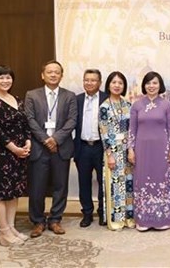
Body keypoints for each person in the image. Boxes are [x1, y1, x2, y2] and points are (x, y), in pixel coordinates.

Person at [25, 60, 77, 238]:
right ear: (43, 75)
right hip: (39, 147)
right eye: (50, 72)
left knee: (60, 186)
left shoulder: (69, 96)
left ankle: (55, 220)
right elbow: (30, 120)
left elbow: (72, 121)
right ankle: (38, 221)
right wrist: (45, 139)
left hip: (61, 147)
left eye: (57, 72)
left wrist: (55, 139)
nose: (53, 75)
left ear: (61, 76)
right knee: (37, 187)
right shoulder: (32, 95)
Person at [0, 65, 32, 246]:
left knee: (14, 191)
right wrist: (14, 148)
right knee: (2, 193)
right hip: (1, 153)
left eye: (8, 77)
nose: (5, 81)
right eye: (1, 78)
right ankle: (3, 231)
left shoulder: (16, 98)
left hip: (20, 152)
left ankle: (11, 227)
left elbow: (24, 124)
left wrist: (27, 142)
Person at [127, 71, 170, 231]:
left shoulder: (167, 104)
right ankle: (143, 220)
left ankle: (163, 220)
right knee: (142, 181)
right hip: (141, 150)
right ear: (144, 85)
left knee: (161, 182)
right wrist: (130, 149)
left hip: (162, 149)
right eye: (148, 83)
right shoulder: (136, 105)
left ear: (160, 85)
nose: (151, 86)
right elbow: (132, 130)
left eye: (155, 83)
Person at [99, 71, 135, 230]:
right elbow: (104, 131)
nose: (117, 85)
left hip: (127, 150)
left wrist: (131, 150)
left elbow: (132, 129)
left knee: (128, 186)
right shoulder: (104, 106)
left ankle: (129, 218)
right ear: (108, 85)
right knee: (115, 187)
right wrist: (109, 154)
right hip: (113, 150)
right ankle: (116, 221)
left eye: (120, 83)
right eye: (114, 82)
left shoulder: (128, 105)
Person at [74, 69, 108, 227]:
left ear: (99, 82)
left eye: (93, 80)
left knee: (103, 182)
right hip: (83, 147)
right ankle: (87, 213)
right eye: (86, 80)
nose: (89, 83)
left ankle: (103, 212)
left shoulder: (107, 99)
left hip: (101, 147)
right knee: (84, 182)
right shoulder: (77, 100)